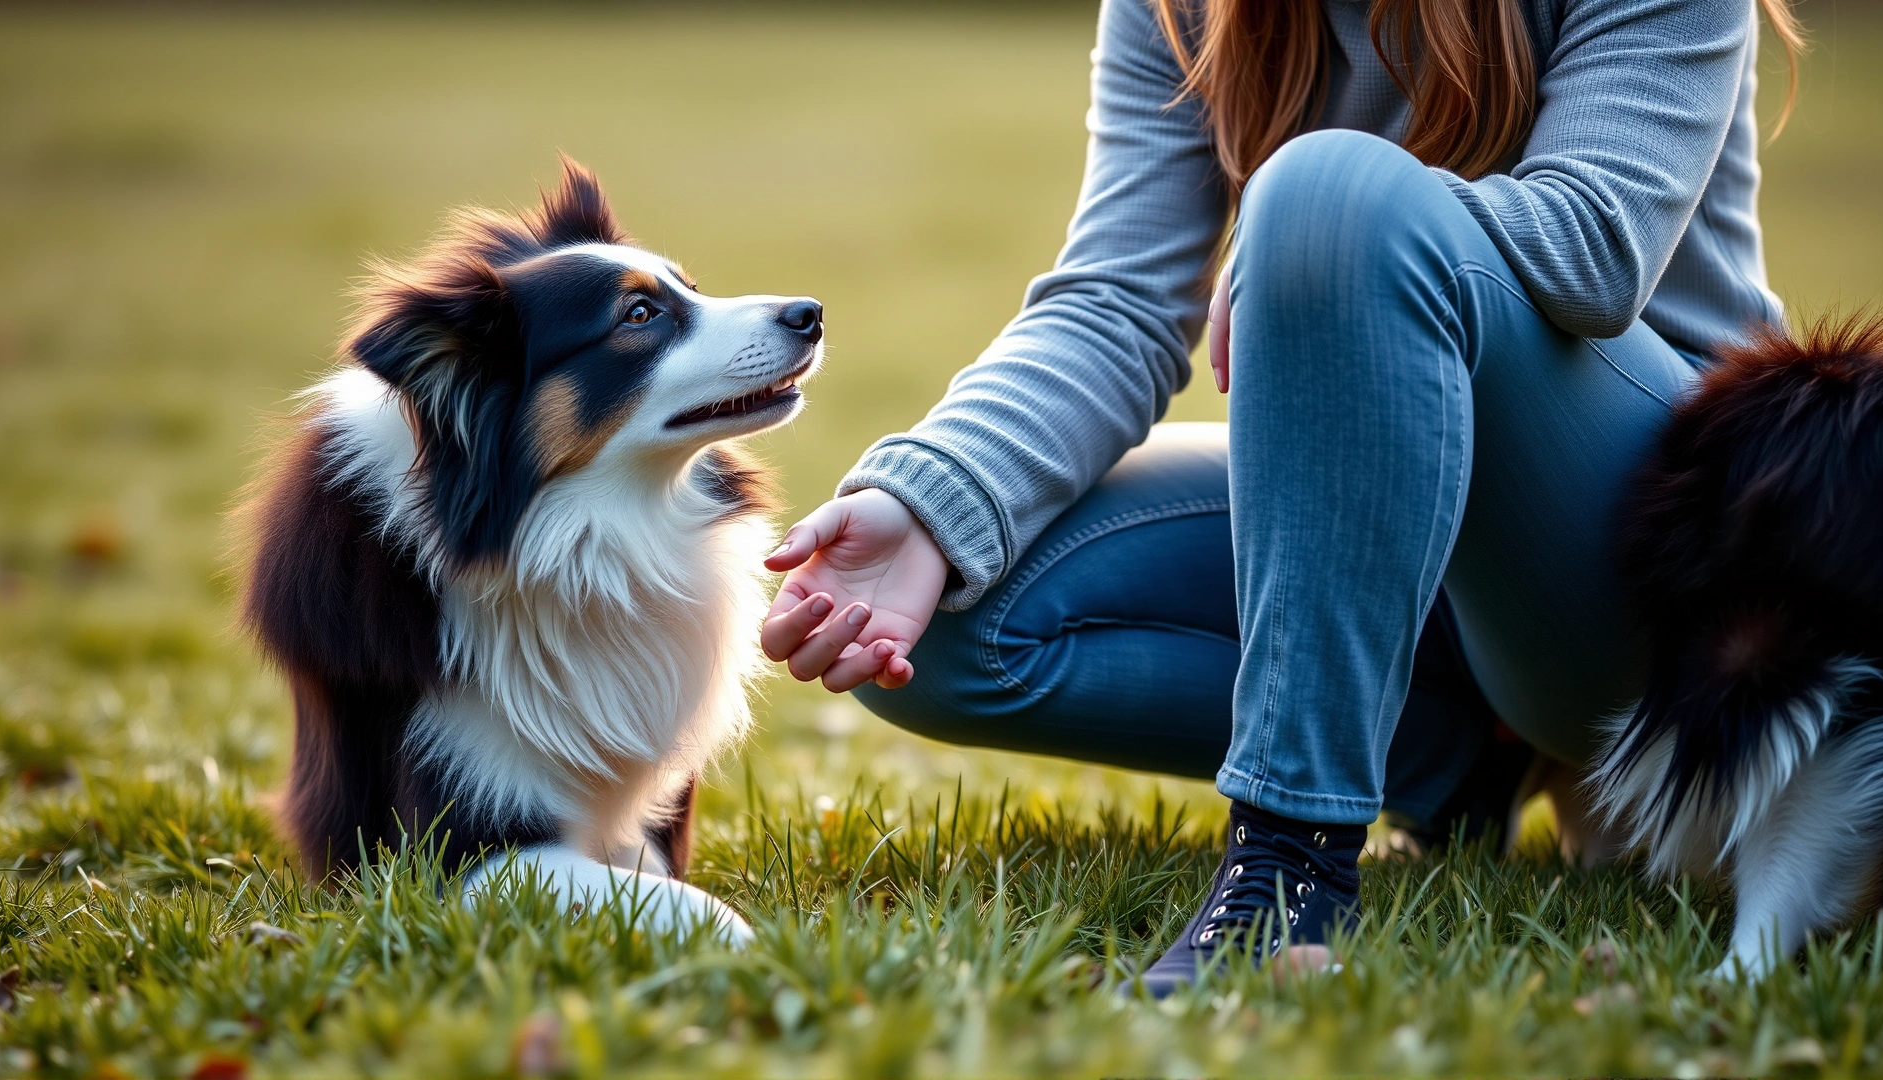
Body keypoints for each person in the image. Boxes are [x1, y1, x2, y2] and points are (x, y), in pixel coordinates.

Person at [757, 0, 1801, 995]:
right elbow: (1118, 297)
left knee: (1329, 195)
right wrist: (935, 497)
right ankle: (1459, 753)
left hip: (1650, 561)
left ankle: (1287, 867)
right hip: (1373, 517)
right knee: (940, 620)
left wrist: (1314, 226)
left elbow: (1595, 244)